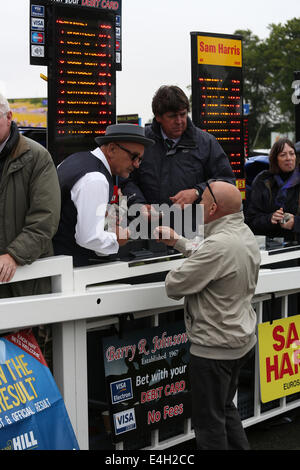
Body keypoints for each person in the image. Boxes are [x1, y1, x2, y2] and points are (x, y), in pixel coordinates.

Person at [154, 181, 261, 450]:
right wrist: (179, 242)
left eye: (201, 200)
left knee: (210, 425)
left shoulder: (218, 246)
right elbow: (215, 256)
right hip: (239, 341)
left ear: (213, 208)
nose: (197, 204)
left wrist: (183, 259)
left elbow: (174, 285)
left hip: (214, 349)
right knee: (224, 409)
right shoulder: (243, 232)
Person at [120, 85, 235, 229]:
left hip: (192, 232)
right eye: (173, 116)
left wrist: (197, 191)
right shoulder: (141, 142)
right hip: (148, 231)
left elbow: (227, 181)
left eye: (183, 114)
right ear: (158, 117)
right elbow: (126, 179)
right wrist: (138, 204)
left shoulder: (206, 142)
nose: (179, 121)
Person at [53, 124, 154, 267]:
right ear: (112, 149)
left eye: (140, 159)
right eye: (134, 157)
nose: (137, 164)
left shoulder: (75, 159)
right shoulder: (96, 178)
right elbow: (89, 238)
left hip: (59, 261)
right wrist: (119, 237)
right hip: (72, 268)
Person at [0, 93, 61, 298]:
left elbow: (45, 218)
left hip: (24, 279)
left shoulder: (37, 157)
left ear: (9, 117)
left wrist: (14, 255)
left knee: (21, 330)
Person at [245, 138, 300, 242]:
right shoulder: (263, 180)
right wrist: (270, 218)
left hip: (296, 247)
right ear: (275, 159)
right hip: (270, 248)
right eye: (283, 155)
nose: (289, 158)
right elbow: (251, 220)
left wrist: (295, 223)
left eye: (292, 154)